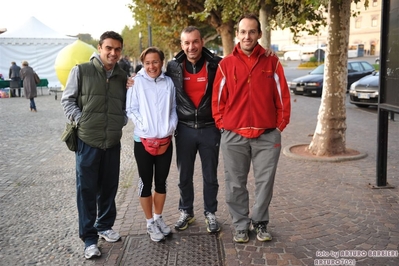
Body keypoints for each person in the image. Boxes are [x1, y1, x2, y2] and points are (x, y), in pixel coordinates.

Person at [212, 14, 291, 243]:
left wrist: (279, 125)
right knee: (235, 183)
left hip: (267, 135)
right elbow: (218, 100)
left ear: (259, 34)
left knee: (265, 182)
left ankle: (260, 222)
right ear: (237, 34)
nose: (247, 36)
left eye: (252, 31)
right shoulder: (226, 64)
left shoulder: (271, 62)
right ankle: (240, 224)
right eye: (243, 32)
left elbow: (282, 95)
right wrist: (223, 125)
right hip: (234, 136)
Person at [61, 31, 127, 259]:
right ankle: (89, 239)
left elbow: (126, 105)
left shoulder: (121, 75)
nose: (113, 52)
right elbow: (67, 100)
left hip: (112, 142)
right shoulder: (81, 70)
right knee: (86, 191)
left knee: (109, 187)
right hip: (87, 142)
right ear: (99, 48)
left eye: (117, 49)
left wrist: (121, 120)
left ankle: (104, 225)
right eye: (109, 48)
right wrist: (82, 121)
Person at [165, 26, 223, 233]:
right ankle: (186, 211)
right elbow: (154, 80)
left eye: (195, 42)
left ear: (202, 42)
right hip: (185, 129)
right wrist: (133, 80)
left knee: (210, 176)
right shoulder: (172, 67)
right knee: (184, 175)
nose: (191, 47)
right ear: (182, 45)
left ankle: (210, 212)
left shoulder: (216, 64)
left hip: (210, 129)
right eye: (187, 43)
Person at [126, 47, 177, 242]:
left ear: (162, 62)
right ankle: (149, 223)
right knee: (145, 183)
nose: (151, 66)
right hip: (143, 141)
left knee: (161, 182)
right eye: (147, 63)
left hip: (165, 140)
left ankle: (158, 218)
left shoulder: (169, 83)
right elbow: (131, 109)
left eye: (155, 62)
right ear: (143, 63)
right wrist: (146, 128)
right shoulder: (136, 82)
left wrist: (169, 127)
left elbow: (173, 109)